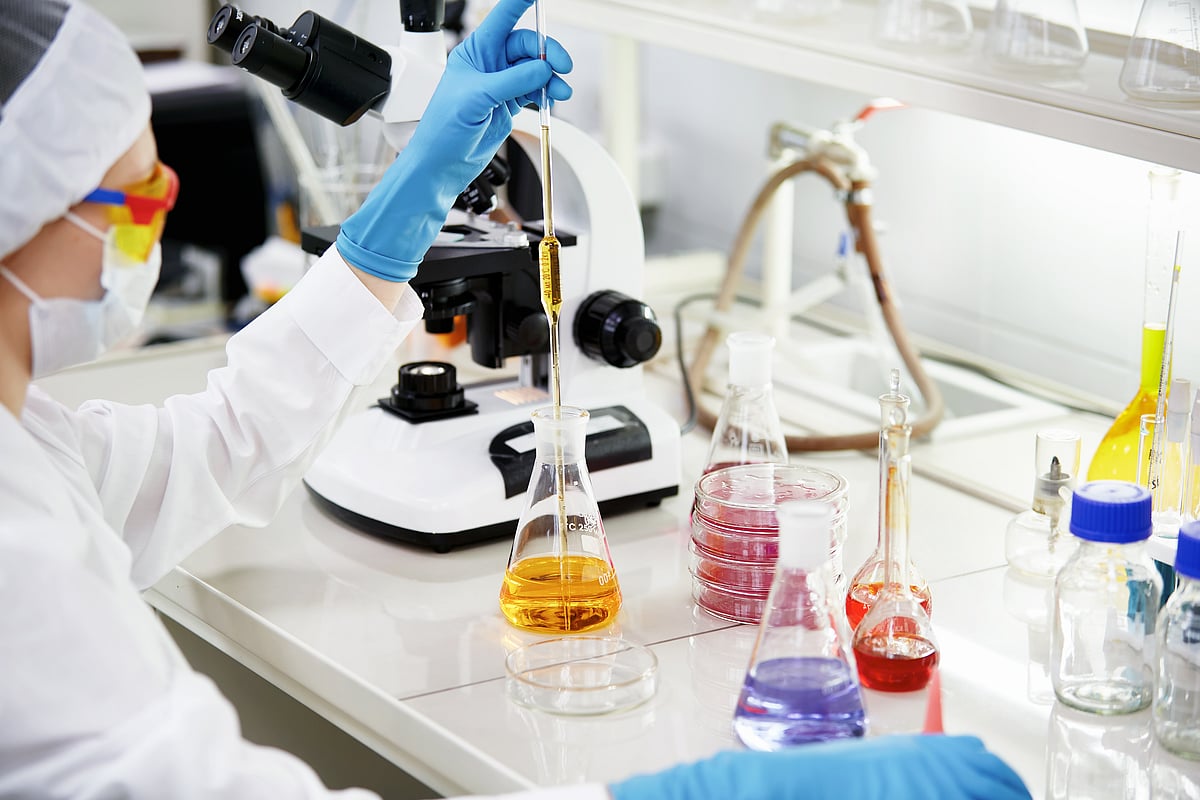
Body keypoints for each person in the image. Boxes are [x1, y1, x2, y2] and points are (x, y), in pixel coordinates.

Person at [0, 0, 1032, 798]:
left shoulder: (26, 444)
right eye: (138, 200)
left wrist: (397, 212)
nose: (163, 219)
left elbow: (213, 442)